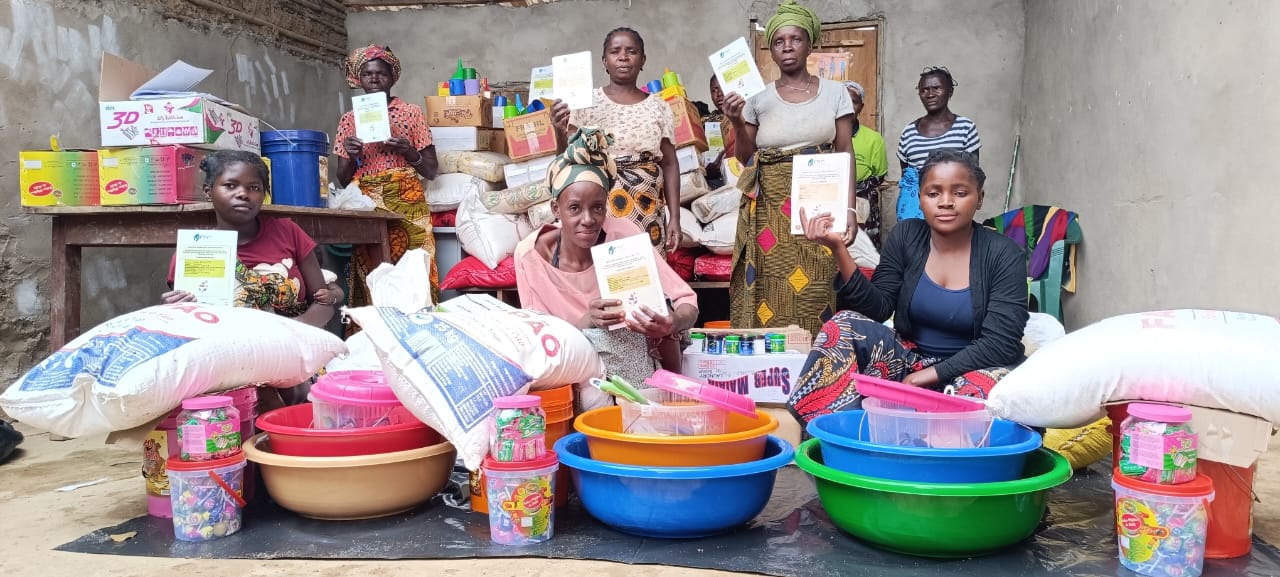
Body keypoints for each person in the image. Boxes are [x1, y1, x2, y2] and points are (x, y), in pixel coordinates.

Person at [787, 150, 1027, 423]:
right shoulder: (907, 236)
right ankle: (843, 432)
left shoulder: (1004, 254)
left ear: (980, 198)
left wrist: (924, 378)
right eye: (933, 193)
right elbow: (877, 309)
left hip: (974, 370)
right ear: (920, 199)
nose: (946, 202)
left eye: (960, 193)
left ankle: (945, 453)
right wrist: (839, 249)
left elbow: (1001, 344)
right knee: (843, 325)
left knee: (992, 391)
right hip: (911, 361)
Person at [514, 128, 699, 382]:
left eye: (598, 208)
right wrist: (588, 320)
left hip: (631, 361)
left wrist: (671, 322)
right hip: (570, 363)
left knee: (645, 326)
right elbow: (539, 339)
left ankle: (663, 395)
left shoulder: (623, 234)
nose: (588, 219)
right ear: (556, 209)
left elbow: (687, 302)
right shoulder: (530, 257)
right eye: (575, 208)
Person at [722, 0, 856, 336]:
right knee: (768, 283)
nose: (787, 48)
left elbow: (844, 152)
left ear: (810, 43)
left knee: (818, 281)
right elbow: (745, 157)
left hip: (819, 203)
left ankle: (817, 358)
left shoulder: (836, 93)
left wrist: (849, 209)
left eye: (795, 39)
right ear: (771, 49)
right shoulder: (757, 98)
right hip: (769, 208)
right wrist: (736, 120)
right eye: (779, 42)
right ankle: (767, 361)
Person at [162, 150, 343, 329]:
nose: (243, 194)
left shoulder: (287, 232)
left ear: (264, 195)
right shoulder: (193, 252)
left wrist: (293, 330)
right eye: (230, 185)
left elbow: (323, 302)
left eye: (254, 188)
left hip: (293, 343)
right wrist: (172, 308)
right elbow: (186, 323)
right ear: (208, 192)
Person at [550, 27, 682, 255]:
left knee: (646, 276)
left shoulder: (659, 107)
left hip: (647, 208)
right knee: (602, 275)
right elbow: (566, 160)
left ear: (643, 60)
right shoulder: (584, 102)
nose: (623, 56)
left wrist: (675, 219)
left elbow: (670, 164)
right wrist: (558, 130)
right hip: (598, 208)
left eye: (631, 51)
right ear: (604, 61)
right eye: (615, 51)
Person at [333, 44, 440, 311]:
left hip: (408, 203)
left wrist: (407, 151)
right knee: (372, 268)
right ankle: (372, 332)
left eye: (381, 73)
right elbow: (343, 180)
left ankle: (422, 324)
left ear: (392, 78)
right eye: (368, 74)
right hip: (368, 204)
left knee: (417, 264)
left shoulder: (411, 113)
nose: (374, 79)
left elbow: (431, 170)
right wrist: (348, 155)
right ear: (359, 79)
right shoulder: (349, 120)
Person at [896, 67, 981, 221]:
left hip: (953, 209)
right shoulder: (908, 133)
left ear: (950, 92)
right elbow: (908, 180)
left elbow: (973, 175)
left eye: (936, 88)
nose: (930, 94)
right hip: (918, 212)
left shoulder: (965, 128)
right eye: (924, 90)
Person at [845, 80, 888, 248]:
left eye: (854, 102)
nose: (848, 107)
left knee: (865, 252)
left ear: (861, 107)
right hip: (832, 202)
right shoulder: (825, 137)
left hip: (863, 206)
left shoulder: (874, 139)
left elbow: (879, 174)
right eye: (844, 101)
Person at [703, 74, 738, 188]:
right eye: (714, 90)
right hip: (716, 182)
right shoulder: (705, 123)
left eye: (723, 87)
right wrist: (708, 171)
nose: (719, 94)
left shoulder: (744, 115)